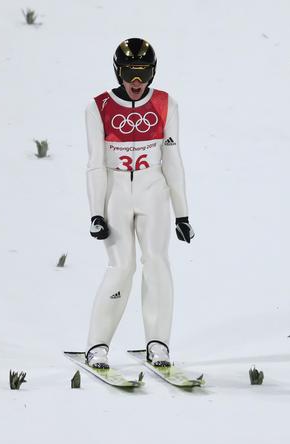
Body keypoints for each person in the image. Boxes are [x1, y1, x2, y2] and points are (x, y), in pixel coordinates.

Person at [84, 38, 194, 369]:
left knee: (157, 261)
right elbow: (95, 164)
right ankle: (97, 346)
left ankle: (158, 343)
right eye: (130, 73)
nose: (136, 82)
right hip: (116, 189)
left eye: (143, 73)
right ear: (118, 72)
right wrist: (96, 213)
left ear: (153, 72)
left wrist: (183, 213)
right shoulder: (98, 107)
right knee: (122, 267)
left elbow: (173, 160)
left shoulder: (166, 104)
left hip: (153, 189)